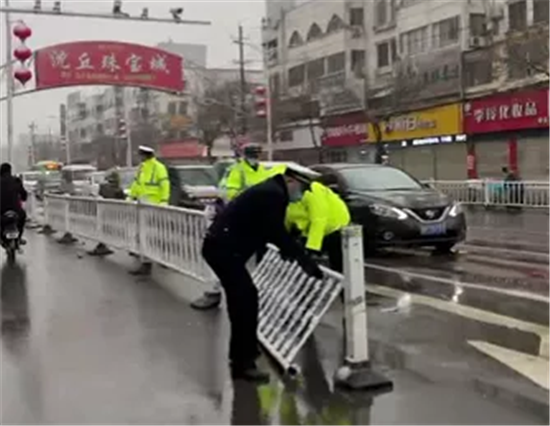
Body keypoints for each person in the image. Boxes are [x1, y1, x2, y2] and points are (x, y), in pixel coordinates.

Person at [201, 168, 323, 382]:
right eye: (302, 189)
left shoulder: (271, 190)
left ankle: (242, 356)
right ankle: (243, 363)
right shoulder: (273, 194)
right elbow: (274, 230)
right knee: (245, 303)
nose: (302, 194)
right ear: (291, 181)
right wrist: (304, 260)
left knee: (245, 301)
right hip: (223, 251)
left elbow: (267, 229)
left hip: (223, 249)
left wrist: (289, 249)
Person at [191, 144, 273, 310]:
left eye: (257, 154)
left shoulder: (263, 171)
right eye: (252, 154)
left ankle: (257, 296)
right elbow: (229, 194)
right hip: (238, 221)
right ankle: (215, 292)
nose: (255, 157)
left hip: (256, 222)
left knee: (259, 260)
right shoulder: (236, 170)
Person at [285, 169, 351, 272]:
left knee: (336, 261)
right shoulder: (289, 196)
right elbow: (288, 217)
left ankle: (340, 277)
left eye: (290, 181)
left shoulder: (313, 191)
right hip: (309, 230)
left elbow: (319, 219)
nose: (287, 185)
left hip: (334, 227)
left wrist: (313, 246)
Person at [127, 145, 171, 275]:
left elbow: (165, 185)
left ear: (145, 155)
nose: (139, 157)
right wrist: (131, 196)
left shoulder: (158, 167)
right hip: (143, 203)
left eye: (140, 155)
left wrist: (164, 200)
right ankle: (147, 262)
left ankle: (162, 258)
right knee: (144, 233)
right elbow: (136, 184)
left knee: (156, 234)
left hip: (155, 204)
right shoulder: (142, 168)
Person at [88, 171, 125, 257]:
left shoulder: (103, 187)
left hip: (104, 212)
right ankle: (103, 245)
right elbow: (122, 199)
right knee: (107, 229)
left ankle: (102, 244)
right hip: (114, 214)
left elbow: (99, 195)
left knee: (103, 228)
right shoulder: (118, 190)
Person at [0, 163, 27, 245]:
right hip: (16, 210)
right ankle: (19, 238)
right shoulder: (16, 181)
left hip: (1, 210)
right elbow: (24, 194)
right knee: (22, 218)